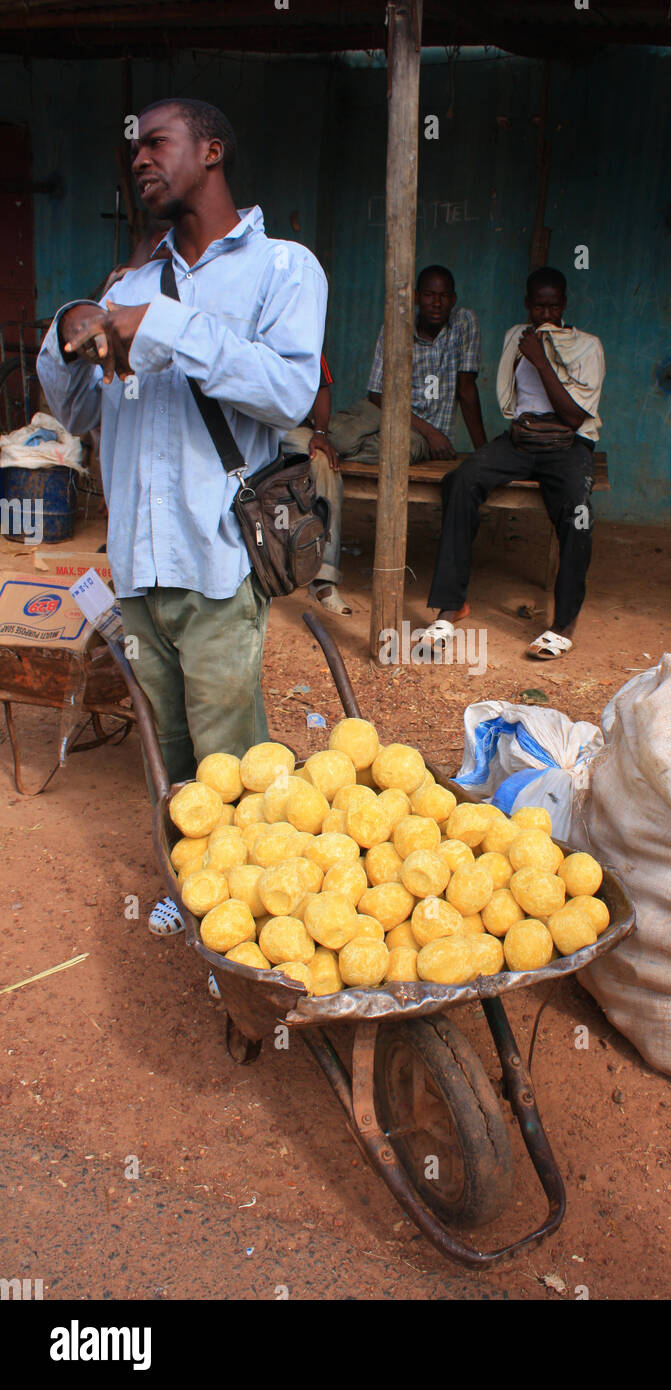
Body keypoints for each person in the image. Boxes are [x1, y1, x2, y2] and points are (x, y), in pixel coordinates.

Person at [37, 97, 327, 934]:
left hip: (217, 556)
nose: (140, 160)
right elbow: (82, 415)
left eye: (156, 144)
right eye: (134, 151)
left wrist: (163, 328)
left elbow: (288, 392)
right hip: (137, 561)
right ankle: (191, 883)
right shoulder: (127, 282)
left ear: (211, 150)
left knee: (230, 752)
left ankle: (251, 909)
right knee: (167, 748)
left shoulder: (284, 269)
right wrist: (70, 328)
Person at [424, 266, 604, 660]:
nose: (546, 314)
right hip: (523, 439)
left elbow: (575, 418)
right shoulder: (515, 338)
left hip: (568, 444)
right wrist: (530, 352)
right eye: (539, 305)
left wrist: (541, 361)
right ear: (527, 305)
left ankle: (564, 622)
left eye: (553, 305)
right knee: (461, 480)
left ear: (564, 305)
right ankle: (452, 604)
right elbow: (514, 404)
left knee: (578, 513)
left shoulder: (588, 347)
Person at [315, 265, 487, 601]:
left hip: (422, 433)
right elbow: (378, 395)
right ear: (417, 298)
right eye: (428, 295)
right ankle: (334, 442)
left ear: (453, 299)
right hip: (387, 409)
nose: (436, 303)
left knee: (399, 450)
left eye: (443, 296)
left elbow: (467, 391)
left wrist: (483, 452)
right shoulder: (396, 325)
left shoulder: (464, 323)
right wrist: (428, 430)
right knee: (336, 437)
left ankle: (358, 445)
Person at [281, 355, 351, 614]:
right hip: (240, 426)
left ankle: (323, 577)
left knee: (323, 462)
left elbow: (322, 386)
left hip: (287, 427)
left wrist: (320, 432)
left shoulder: (300, 333)